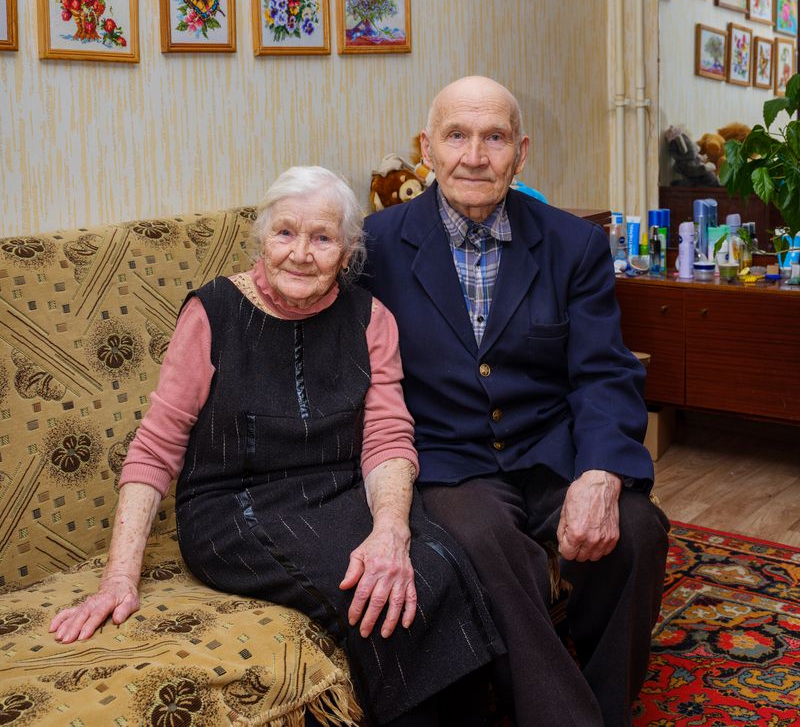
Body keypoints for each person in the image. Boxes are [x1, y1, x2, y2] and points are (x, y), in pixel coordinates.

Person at [50, 167, 503, 727]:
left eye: (322, 237)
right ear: (261, 239)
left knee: (440, 564)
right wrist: (119, 578)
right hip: (233, 508)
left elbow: (386, 436)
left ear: (348, 251)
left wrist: (390, 528)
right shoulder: (211, 313)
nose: (300, 253)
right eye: (284, 233)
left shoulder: (371, 318)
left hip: (341, 493)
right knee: (380, 605)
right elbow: (156, 446)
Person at [361, 77, 670, 727]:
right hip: (449, 462)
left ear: (520, 152)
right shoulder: (376, 246)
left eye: (494, 137)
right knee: (483, 541)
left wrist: (601, 472)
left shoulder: (573, 245)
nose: (475, 155)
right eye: (457, 135)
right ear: (427, 148)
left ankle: (605, 704)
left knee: (639, 531)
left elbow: (604, 372)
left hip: (550, 450)